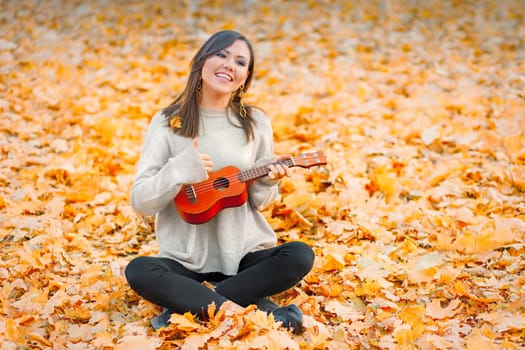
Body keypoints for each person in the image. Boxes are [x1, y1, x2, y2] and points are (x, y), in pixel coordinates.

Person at [124, 30, 315, 334]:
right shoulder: (166, 123)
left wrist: (268, 182)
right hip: (184, 263)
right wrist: (177, 170)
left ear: (245, 76)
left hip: (243, 260)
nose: (230, 65)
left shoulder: (255, 122)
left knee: (300, 254)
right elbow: (141, 201)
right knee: (139, 270)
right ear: (202, 60)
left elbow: (260, 203)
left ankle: (189, 307)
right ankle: (259, 315)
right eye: (221, 55)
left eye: (241, 62)